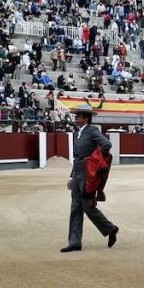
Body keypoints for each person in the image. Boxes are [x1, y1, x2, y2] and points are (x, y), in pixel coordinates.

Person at [60, 104, 119, 253]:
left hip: (88, 173)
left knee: (87, 206)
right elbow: (77, 157)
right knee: (75, 207)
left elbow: (106, 144)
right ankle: (74, 242)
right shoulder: (79, 132)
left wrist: (93, 161)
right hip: (78, 171)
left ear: (86, 117)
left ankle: (110, 228)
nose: (76, 117)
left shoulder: (92, 130)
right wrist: (71, 176)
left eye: (78, 115)